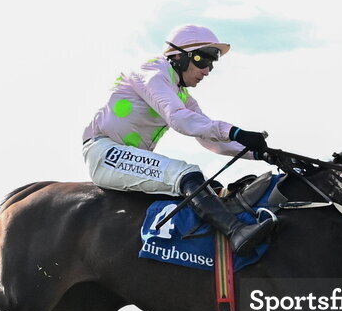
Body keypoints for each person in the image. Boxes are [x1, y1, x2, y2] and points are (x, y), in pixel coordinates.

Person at [82, 24, 275, 256]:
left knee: (208, 187)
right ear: (181, 57)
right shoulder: (152, 72)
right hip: (104, 153)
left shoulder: (181, 94)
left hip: (124, 157)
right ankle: (236, 232)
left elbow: (209, 138)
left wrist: (260, 154)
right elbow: (179, 119)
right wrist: (236, 131)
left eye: (212, 64)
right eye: (204, 61)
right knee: (186, 174)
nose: (207, 71)